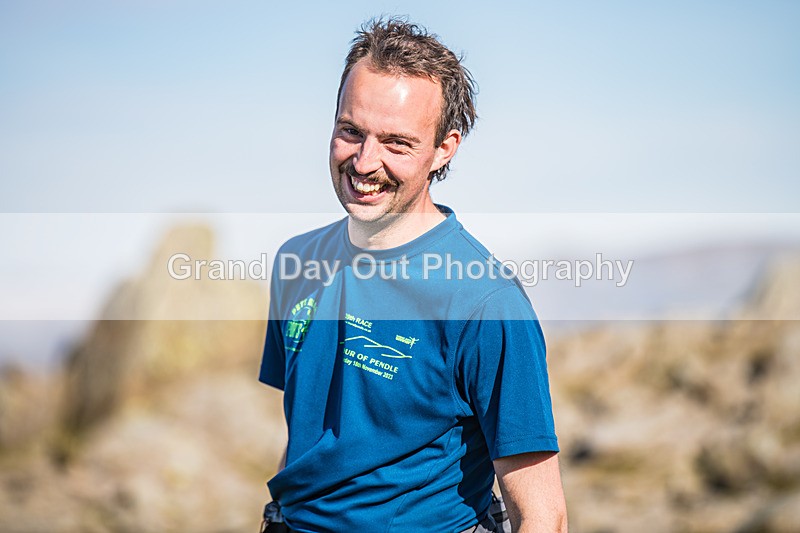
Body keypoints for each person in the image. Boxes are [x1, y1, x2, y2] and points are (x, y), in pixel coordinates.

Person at [259, 17, 567, 533]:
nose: (364, 161)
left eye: (396, 143)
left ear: (445, 148)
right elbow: (307, 435)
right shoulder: (298, 262)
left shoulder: (486, 303)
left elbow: (543, 514)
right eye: (350, 131)